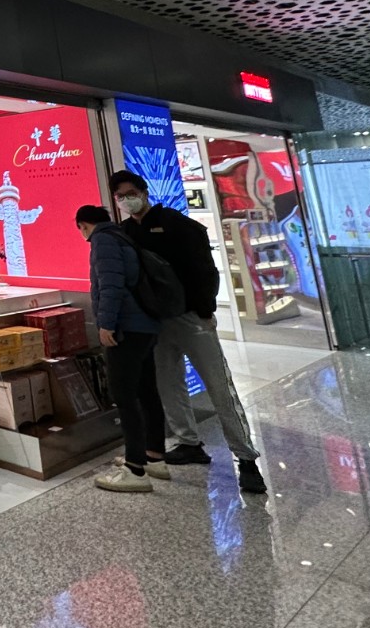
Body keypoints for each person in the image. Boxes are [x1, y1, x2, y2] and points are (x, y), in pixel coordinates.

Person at [110, 170, 267, 494]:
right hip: (156, 322)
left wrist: (205, 310)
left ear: (144, 191)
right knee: (169, 384)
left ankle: (246, 459)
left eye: (130, 193)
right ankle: (188, 443)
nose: (126, 200)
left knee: (219, 387)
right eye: (120, 197)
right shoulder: (126, 232)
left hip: (192, 318)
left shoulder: (176, 224)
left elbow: (203, 268)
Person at [76, 204, 170, 493]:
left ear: (83, 225)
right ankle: (153, 456)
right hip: (145, 325)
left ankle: (135, 469)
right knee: (146, 391)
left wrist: (105, 324)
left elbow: (110, 285)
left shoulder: (102, 241)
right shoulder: (121, 235)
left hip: (126, 329)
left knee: (124, 396)